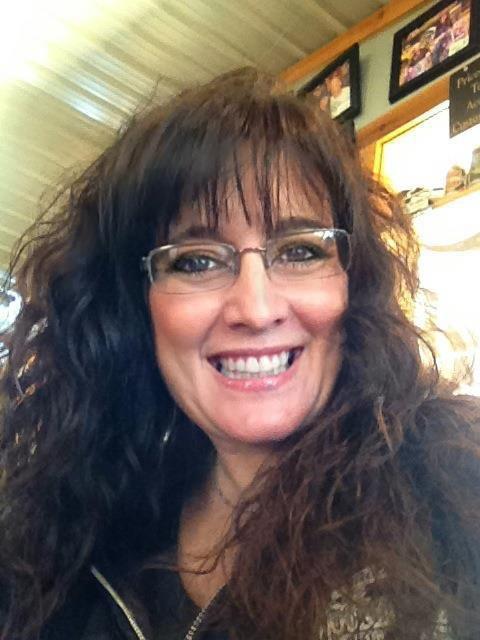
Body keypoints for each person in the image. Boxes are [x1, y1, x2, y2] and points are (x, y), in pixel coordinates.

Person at [1, 67, 479, 640]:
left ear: (354, 284)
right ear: (133, 306)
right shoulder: (74, 537)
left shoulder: (460, 490)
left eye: (300, 251)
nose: (255, 309)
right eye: (196, 261)